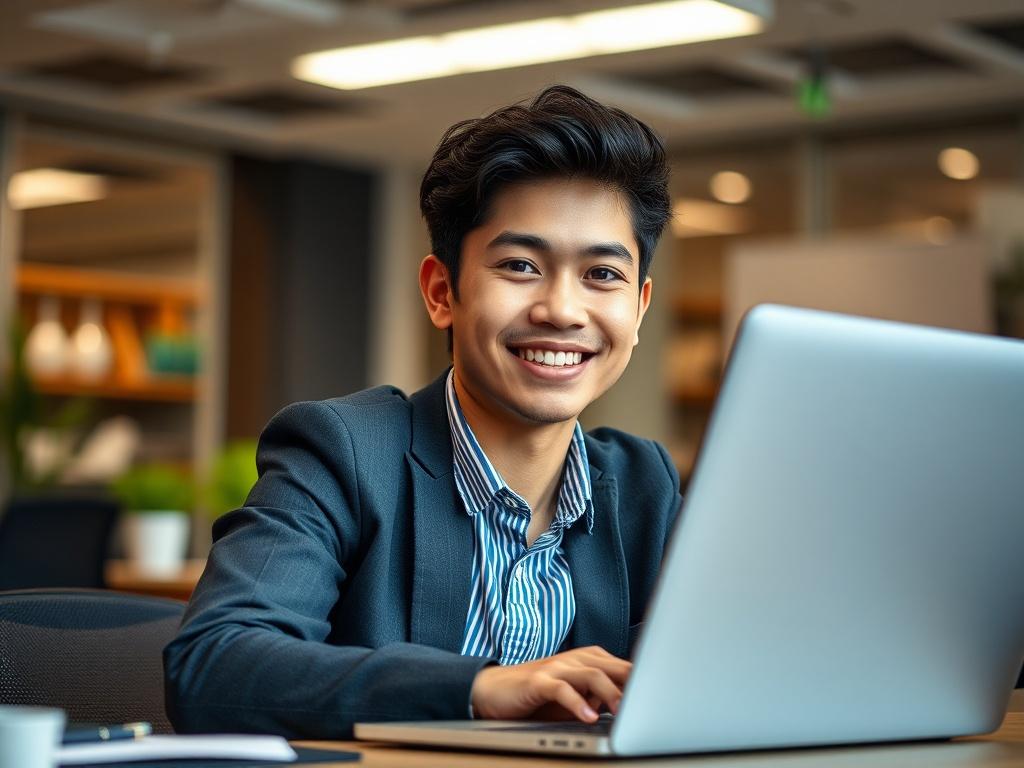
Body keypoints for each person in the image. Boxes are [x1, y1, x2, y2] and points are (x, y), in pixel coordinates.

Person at [164, 85, 682, 739]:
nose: (562, 310)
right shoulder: (346, 452)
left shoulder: (644, 485)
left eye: (601, 275)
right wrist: (477, 689)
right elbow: (213, 667)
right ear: (443, 293)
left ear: (638, 310)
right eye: (521, 265)